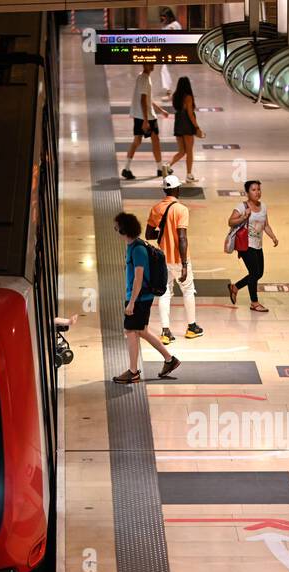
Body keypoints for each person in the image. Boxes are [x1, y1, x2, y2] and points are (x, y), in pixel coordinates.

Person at [113, 211, 180, 384]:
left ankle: (133, 372)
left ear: (123, 230)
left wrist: (132, 303)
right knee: (140, 330)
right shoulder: (133, 246)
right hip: (139, 296)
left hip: (139, 298)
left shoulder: (138, 250)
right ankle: (169, 359)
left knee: (130, 331)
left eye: (117, 227)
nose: (115, 229)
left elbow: (138, 277)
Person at [147, 174, 204, 344]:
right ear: (177, 189)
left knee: (164, 293)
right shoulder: (181, 209)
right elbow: (182, 238)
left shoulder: (156, 208)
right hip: (178, 258)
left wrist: (164, 234)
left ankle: (165, 332)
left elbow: (149, 234)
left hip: (162, 258)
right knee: (188, 290)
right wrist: (185, 263)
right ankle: (192, 327)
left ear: (165, 190)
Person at [228, 180, 279, 312]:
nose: (257, 192)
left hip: (258, 244)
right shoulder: (242, 206)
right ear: (247, 192)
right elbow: (230, 221)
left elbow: (265, 225)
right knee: (254, 273)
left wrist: (273, 236)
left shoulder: (264, 207)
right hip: (246, 244)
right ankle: (254, 302)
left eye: (258, 189)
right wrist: (243, 217)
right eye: (254, 190)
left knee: (259, 273)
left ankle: (235, 287)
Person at [122, 64, 172, 181]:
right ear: (144, 65)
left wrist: (161, 110)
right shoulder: (144, 78)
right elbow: (143, 100)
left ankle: (126, 168)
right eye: (150, 63)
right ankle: (160, 169)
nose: (153, 65)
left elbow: (148, 99)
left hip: (140, 115)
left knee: (137, 141)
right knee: (155, 141)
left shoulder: (142, 77)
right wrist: (145, 120)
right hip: (146, 116)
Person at [167, 77, 201, 183]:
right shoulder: (188, 97)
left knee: (182, 151)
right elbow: (190, 114)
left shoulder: (175, 96)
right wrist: (197, 127)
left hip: (178, 123)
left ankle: (167, 166)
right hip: (187, 124)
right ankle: (189, 175)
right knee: (189, 151)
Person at [158, 8, 182, 100]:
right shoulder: (173, 25)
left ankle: (171, 93)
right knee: (167, 71)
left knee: (166, 71)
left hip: (172, 52)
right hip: (171, 51)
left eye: (164, 17)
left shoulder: (173, 26)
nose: (163, 19)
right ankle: (171, 92)